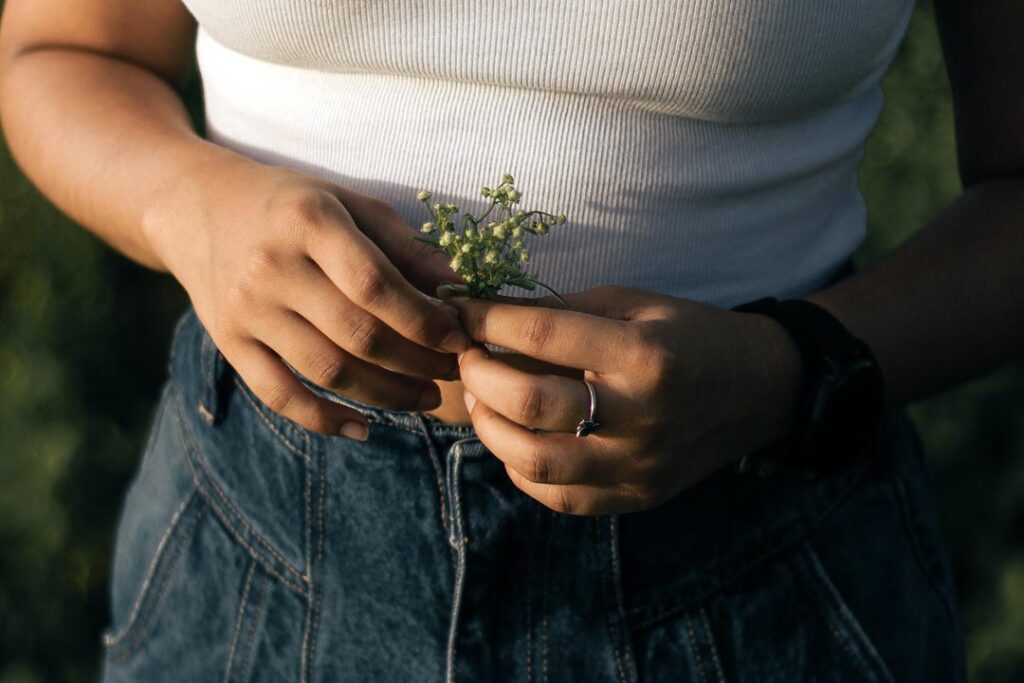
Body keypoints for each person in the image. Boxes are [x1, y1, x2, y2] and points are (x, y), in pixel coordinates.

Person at [0, 0, 1018, 680]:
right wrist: (189, 204)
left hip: (755, 556)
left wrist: (785, 372)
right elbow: (66, 49)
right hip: (264, 543)